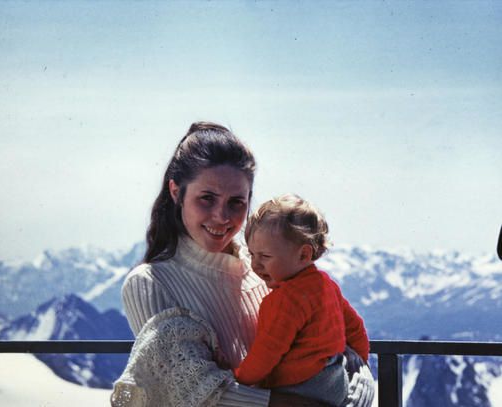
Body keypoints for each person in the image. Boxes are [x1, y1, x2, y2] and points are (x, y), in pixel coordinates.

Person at [111, 122, 374, 407]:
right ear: (176, 192)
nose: (222, 216)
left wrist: (362, 385)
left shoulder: (269, 268)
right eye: (207, 198)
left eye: (236, 202)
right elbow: (200, 395)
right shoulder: (150, 284)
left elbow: (336, 345)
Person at [234, 194, 370, 406]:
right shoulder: (326, 284)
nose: (255, 265)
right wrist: (360, 362)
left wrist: (240, 379)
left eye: (265, 257)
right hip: (335, 381)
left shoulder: (285, 299)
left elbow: (266, 353)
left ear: (304, 255)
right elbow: (355, 328)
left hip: (301, 389)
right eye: (251, 254)